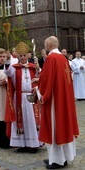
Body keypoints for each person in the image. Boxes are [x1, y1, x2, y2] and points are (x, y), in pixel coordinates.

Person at [37, 36, 79, 169]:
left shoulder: (51, 58)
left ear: (49, 45)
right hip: (64, 98)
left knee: (55, 128)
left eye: (45, 44)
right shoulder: (63, 58)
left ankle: (57, 160)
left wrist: (39, 91)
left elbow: (47, 79)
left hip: (54, 102)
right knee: (64, 127)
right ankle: (63, 157)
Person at [4, 42, 42, 153]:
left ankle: (33, 144)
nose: (22, 58)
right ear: (18, 57)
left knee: (31, 120)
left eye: (24, 55)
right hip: (19, 97)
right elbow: (7, 71)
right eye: (20, 56)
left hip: (31, 96)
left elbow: (39, 77)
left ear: (27, 55)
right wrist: (7, 60)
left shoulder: (32, 67)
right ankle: (22, 144)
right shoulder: (14, 68)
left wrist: (38, 70)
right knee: (21, 120)